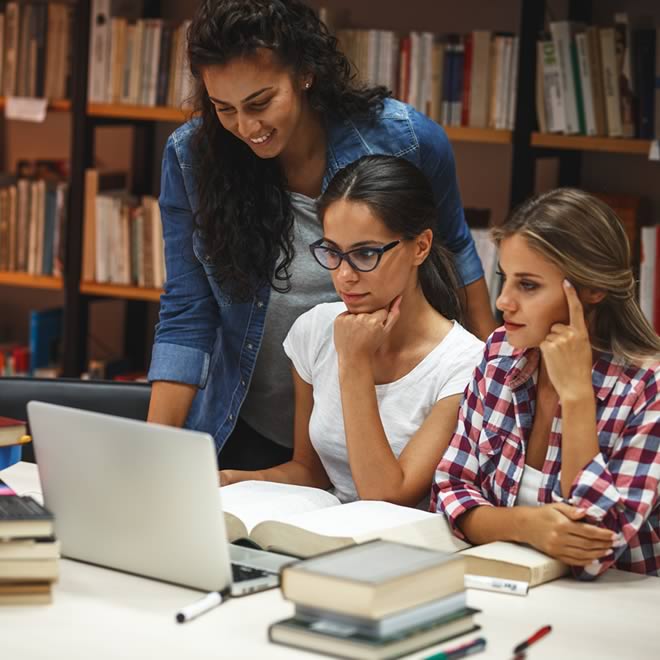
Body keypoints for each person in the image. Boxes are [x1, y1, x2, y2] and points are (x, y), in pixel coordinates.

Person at [146, 0, 496, 468]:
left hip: (389, 431)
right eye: (223, 108)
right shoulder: (193, 158)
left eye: (261, 102)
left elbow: (458, 265)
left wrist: (496, 407)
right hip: (252, 422)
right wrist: (150, 457)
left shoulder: (406, 140)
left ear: (305, 73)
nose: (246, 128)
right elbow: (188, 311)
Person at [219, 155, 484, 505]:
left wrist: (354, 362)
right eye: (333, 252)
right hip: (326, 534)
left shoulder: (467, 365)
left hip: (408, 548)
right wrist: (235, 479)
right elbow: (311, 471)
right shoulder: (314, 330)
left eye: (365, 254)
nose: (344, 275)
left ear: (420, 246)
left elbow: (388, 497)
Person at [431, 188, 660, 578]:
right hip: (507, 586)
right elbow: (451, 490)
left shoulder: (646, 389)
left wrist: (576, 398)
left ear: (592, 289)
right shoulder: (501, 354)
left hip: (615, 607)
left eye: (529, 285)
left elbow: (592, 549)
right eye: (505, 279)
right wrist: (525, 524)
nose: (503, 301)